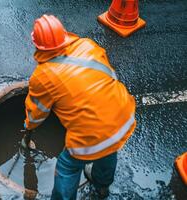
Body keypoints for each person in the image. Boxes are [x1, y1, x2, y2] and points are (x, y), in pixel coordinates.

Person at [22, 14, 136, 199]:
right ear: (64, 34)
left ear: (37, 44)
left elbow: (37, 113)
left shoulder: (43, 75)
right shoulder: (87, 45)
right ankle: (102, 185)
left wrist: (28, 127)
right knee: (109, 147)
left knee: (67, 166)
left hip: (94, 131)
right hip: (123, 114)